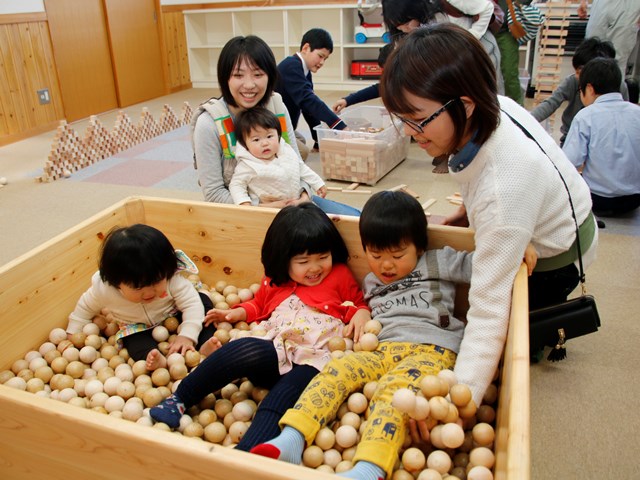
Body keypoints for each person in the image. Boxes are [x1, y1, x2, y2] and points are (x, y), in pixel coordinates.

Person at [378, 24, 597, 400]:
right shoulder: (494, 108)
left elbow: (488, 305)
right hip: (546, 211)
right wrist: (467, 213)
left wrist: (461, 398)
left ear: (463, 105)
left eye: (418, 120)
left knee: (516, 340)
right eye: (403, 119)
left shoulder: (503, 187)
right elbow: (475, 174)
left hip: (559, 254)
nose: (410, 132)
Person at [250, 190, 474, 480]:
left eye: (397, 255)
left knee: (394, 393)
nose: (386, 265)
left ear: (419, 247)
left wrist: (518, 251)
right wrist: (360, 313)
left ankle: (370, 468)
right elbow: (354, 309)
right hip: (381, 350)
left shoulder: (436, 261)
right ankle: (293, 437)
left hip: (431, 348)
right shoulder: (371, 281)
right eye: (375, 254)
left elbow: (485, 265)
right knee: (337, 368)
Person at [149, 203, 371, 451]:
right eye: (303, 261)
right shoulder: (274, 280)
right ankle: (179, 398)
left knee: (282, 396)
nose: (315, 267)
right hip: (276, 350)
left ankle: (248, 454)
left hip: (314, 359)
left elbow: (358, 302)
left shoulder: (339, 275)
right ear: (283, 259)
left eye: (323, 257)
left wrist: (361, 313)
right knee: (245, 347)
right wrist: (235, 313)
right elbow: (258, 305)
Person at [191, 35, 360, 216]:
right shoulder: (209, 123)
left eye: (258, 74)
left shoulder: (276, 105)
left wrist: (303, 194)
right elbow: (213, 193)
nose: (249, 85)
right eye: (238, 75)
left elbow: (295, 161)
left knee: (357, 221)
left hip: (293, 199)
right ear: (225, 78)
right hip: (245, 213)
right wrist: (261, 207)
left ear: (270, 76)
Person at [65, 224, 216, 371]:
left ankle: (204, 344)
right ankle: (156, 360)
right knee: (134, 342)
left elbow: (191, 305)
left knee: (202, 304)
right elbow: (85, 306)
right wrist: (74, 329)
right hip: (137, 326)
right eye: (138, 288)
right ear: (116, 283)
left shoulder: (172, 280)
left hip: (175, 312)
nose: (149, 292)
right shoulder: (105, 290)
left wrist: (187, 336)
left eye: (156, 282)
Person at [563, 57, 640, 218]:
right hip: (634, 199)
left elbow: (569, 164)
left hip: (597, 199)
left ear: (589, 88)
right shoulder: (637, 113)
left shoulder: (585, 116)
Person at [530, 37, 628, 146]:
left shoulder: (619, 87)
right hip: (572, 138)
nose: (577, 76)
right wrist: (525, 120)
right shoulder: (572, 81)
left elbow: (624, 117)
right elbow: (551, 103)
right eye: (575, 71)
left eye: (579, 71)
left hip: (604, 142)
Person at [229, 108, 327, 207]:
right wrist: (244, 203)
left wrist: (317, 183)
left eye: (269, 136)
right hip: (268, 208)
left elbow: (301, 168)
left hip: (297, 201)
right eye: (256, 139)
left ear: (278, 135)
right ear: (245, 144)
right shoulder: (247, 165)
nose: (265, 143)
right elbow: (236, 185)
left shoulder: (286, 151)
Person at [276, 28, 347, 152]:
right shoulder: (291, 66)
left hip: (285, 126)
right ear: (306, 48)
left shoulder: (305, 70)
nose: (322, 62)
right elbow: (308, 100)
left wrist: (317, 140)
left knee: (301, 141)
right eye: (320, 56)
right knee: (302, 152)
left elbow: (308, 108)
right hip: (272, 128)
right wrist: (337, 125)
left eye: (325, 59)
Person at [578, 0, 640, 77]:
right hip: (602, 3)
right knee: (590, 53)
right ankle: (589, 87)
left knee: (618, 61)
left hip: (630, 6)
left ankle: (615, 88)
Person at [331, 43, 393, 115]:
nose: (388, 75)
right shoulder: (391, 82)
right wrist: (346, 100)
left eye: (390, 71)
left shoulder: (404, 83)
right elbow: (378, 89)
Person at [494, 0, 534, 105]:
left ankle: (517, 112)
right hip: (478, 25)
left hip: (505, 29)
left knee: (509, 73)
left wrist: (512, 6)